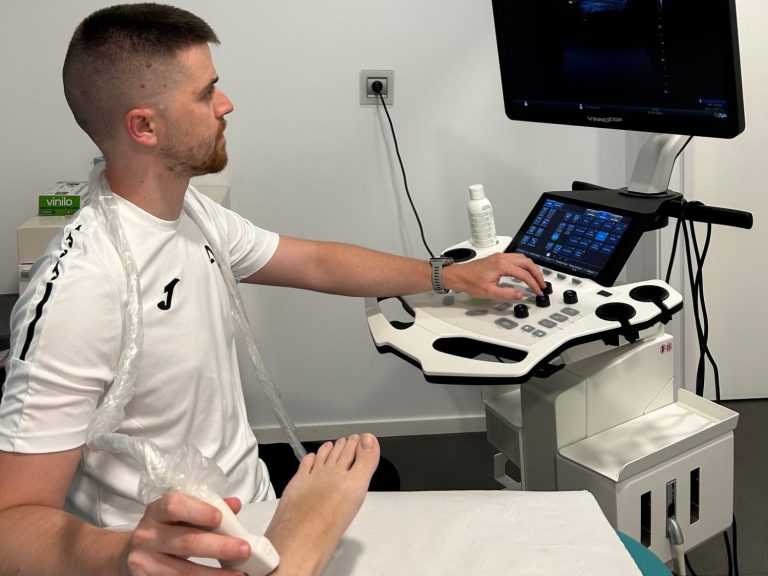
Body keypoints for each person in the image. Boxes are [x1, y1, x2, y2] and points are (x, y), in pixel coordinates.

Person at [0, 3, 545, 575]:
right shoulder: (81, 288)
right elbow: (10, 524)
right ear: (145, 127)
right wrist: (126, 552)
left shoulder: (193, 214)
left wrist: (446, 276)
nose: (226, 104)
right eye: (205, 93)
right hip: (173, 551)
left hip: (249, 505)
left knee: (380, 480)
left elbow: (315, 263)